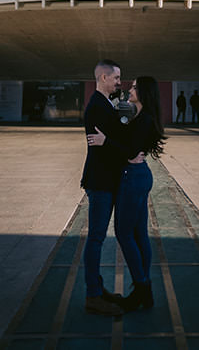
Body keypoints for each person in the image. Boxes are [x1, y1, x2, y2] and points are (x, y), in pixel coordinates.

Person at [105, 74, 163, 312]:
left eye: (135, 87)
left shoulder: (144, 119)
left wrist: (104, 141)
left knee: (123, 233)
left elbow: (130, 150)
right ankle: (144, 289)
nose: (130, 89)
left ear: (144, 93)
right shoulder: (141, 117)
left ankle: (141, 288)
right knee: (139, 235)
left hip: (133, 177)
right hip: (139, 176)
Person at [81, 59, 129, 316]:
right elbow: (109, 144)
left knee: (97, 238)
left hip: (105, 180)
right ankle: (93, 296)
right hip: (100, 182)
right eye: (116, 78)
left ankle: (97, 288)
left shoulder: (104, 104)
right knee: (96, 239)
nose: (120, 82)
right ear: (103, 78)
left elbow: (112, 139)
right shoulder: (98, 107)